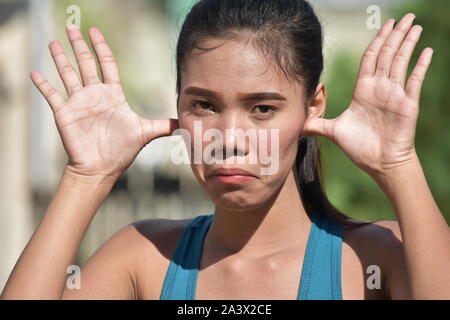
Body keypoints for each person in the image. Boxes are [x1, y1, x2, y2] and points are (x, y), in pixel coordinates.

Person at [1, 0, 449, 300]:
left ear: (312, 106)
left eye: (262, 108)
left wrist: (398, 165)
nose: (228, 137)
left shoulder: (377, 256)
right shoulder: (142, 258)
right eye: (203, 105)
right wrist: (87, 176)